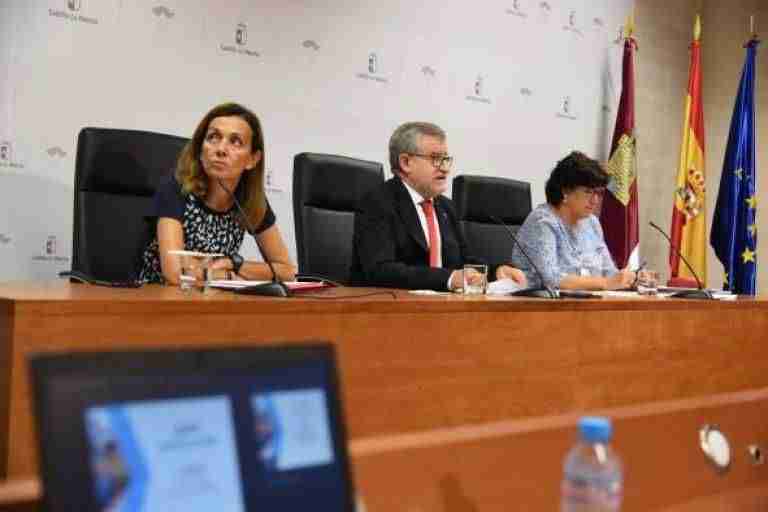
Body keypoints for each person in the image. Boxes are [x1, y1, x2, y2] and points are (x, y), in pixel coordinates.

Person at [351, 121, 527, 291]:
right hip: (391, 307)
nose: (445, 168)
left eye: (446, 159)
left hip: (444, 306)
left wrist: (495, 273)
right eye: (435, 159)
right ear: (405, 162)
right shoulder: (377, 202)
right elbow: (381, 271)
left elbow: (464, 262)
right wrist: (449, 279)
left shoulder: (446, 207)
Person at [139, 103, 296, 284]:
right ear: (200, 150)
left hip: (215, 297)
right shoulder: (176, 188)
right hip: (160, 296)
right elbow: (175, 272)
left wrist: (235, 264)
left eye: (235, 141)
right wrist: (228, 276)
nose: (221, 149)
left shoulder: (248, 200)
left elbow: (287, 271)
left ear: (252, 159)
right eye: (213, 137)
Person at [511, 151, 635, 290]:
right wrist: (605, 283)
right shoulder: (543, 222)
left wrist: (631, 279)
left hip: (589, 300)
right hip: (542, 302)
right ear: (565, 192)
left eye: (598, 193)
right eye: (588, 192)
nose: (595, 200)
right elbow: (550, 279)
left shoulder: (592, 223)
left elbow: (609, 272)